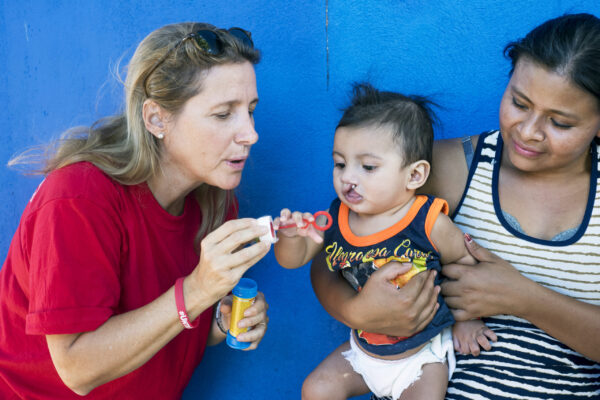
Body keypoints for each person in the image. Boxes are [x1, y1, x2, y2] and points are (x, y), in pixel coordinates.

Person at [310, 13, 600, 399]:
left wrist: (526, 298)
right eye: (519, 102)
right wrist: (355, 312)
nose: (529, 131)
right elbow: (331, 256)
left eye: (560, 123)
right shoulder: (449, 169)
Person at [0, 22, 272, 399]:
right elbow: (77, 369)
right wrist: (197, 291)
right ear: (156, 119)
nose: (250, 133)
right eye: (224, 114)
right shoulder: (79, 198)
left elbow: (164, 324)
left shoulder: (214, 200)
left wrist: (222, 323)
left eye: (250, 110)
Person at [273, 83, 497, 400]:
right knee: (316, 389)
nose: (348, 177)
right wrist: (291, 237)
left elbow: (464, 264)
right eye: (340, 163)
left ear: (415, 176)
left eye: (368, 167)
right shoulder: (337, 218)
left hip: (422, 357)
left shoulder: (428, 221)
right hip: (363, 350)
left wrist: (467, 321)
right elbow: (292, 259)